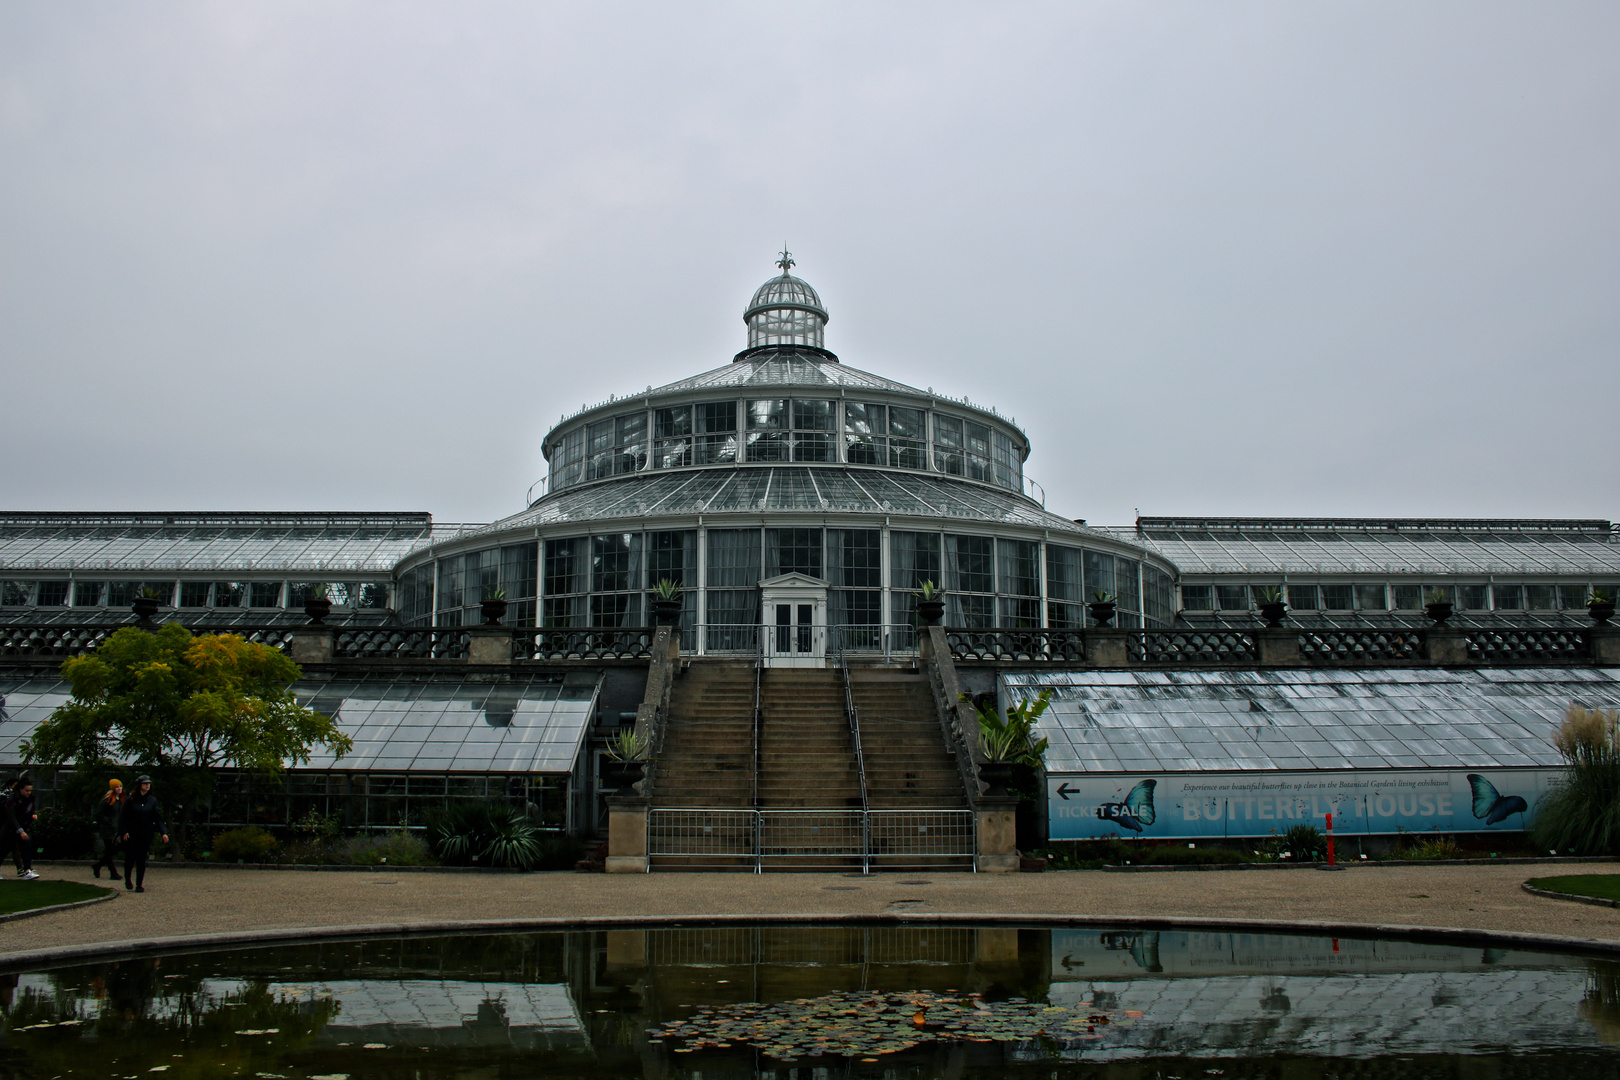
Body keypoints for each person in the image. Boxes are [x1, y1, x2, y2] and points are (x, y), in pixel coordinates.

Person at [117, 775, 168, 893]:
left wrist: (163, 832)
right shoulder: (131, 799)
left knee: (141, 859)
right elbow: (122, 817)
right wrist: (123, 831)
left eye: (148, 783)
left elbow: (157, 818)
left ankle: (139, 884)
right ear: (139, 785)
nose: (147, 785)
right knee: (130, 857)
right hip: (131, 833)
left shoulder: (152, 800)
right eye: (145, 783)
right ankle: (128, 879)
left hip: (146, 833)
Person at [2, 775, 40, 880]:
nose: (29, 793)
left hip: (25, 827)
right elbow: (11, 816)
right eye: (26, 790)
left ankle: (27, 870)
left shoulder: (30, 799)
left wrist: (32, 816)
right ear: (20, 789)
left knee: (27, 849)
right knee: (4, 850)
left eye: (30, 790)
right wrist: (20, 830)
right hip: (11, 829)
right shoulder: (12, 800)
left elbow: (29, 811)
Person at [91, 778, 124, 880]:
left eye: (120, 786)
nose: (119, 789)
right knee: (109, 850)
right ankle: (113, 872)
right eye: (117, 787)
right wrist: (108, 821)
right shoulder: (107, 800)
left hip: (116, 829)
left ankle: (98, 865)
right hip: (107, 829)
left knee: (112, 850)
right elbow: (99, 814)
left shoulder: (120, 800)